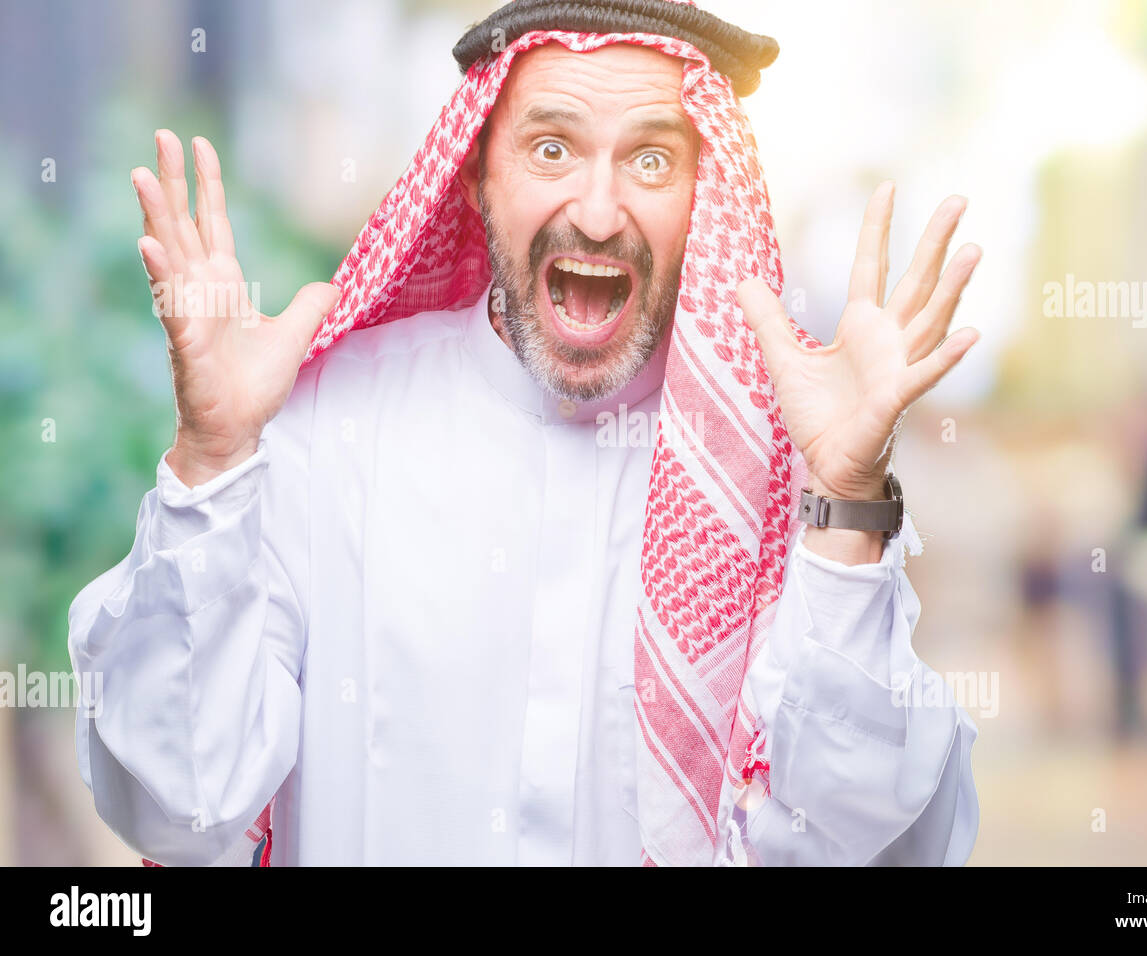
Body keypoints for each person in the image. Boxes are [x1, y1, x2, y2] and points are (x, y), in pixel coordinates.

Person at [68, 0, 983, 866]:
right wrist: (212, 457)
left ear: (704, 199)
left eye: (653, 162)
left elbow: (862, 846)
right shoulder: (324, 429)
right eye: (552, 148)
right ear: (477, 175)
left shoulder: (783, 479)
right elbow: (183, 807)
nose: (596, 211)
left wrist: (847, 500)